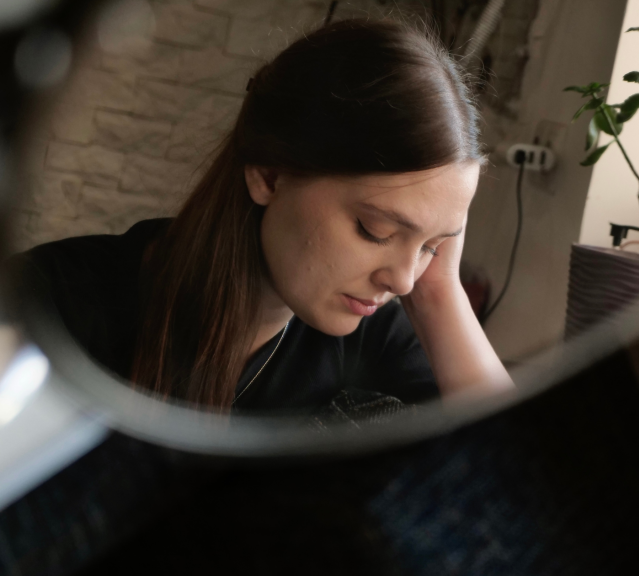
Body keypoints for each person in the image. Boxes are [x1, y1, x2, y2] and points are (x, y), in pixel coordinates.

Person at [6, 18, 513, 416]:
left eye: (431, 246)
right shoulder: (55, 299)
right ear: (269, 176)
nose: (402, 280)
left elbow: (514, 493)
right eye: (374, 230)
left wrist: (441, 291)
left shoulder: (375, 335)